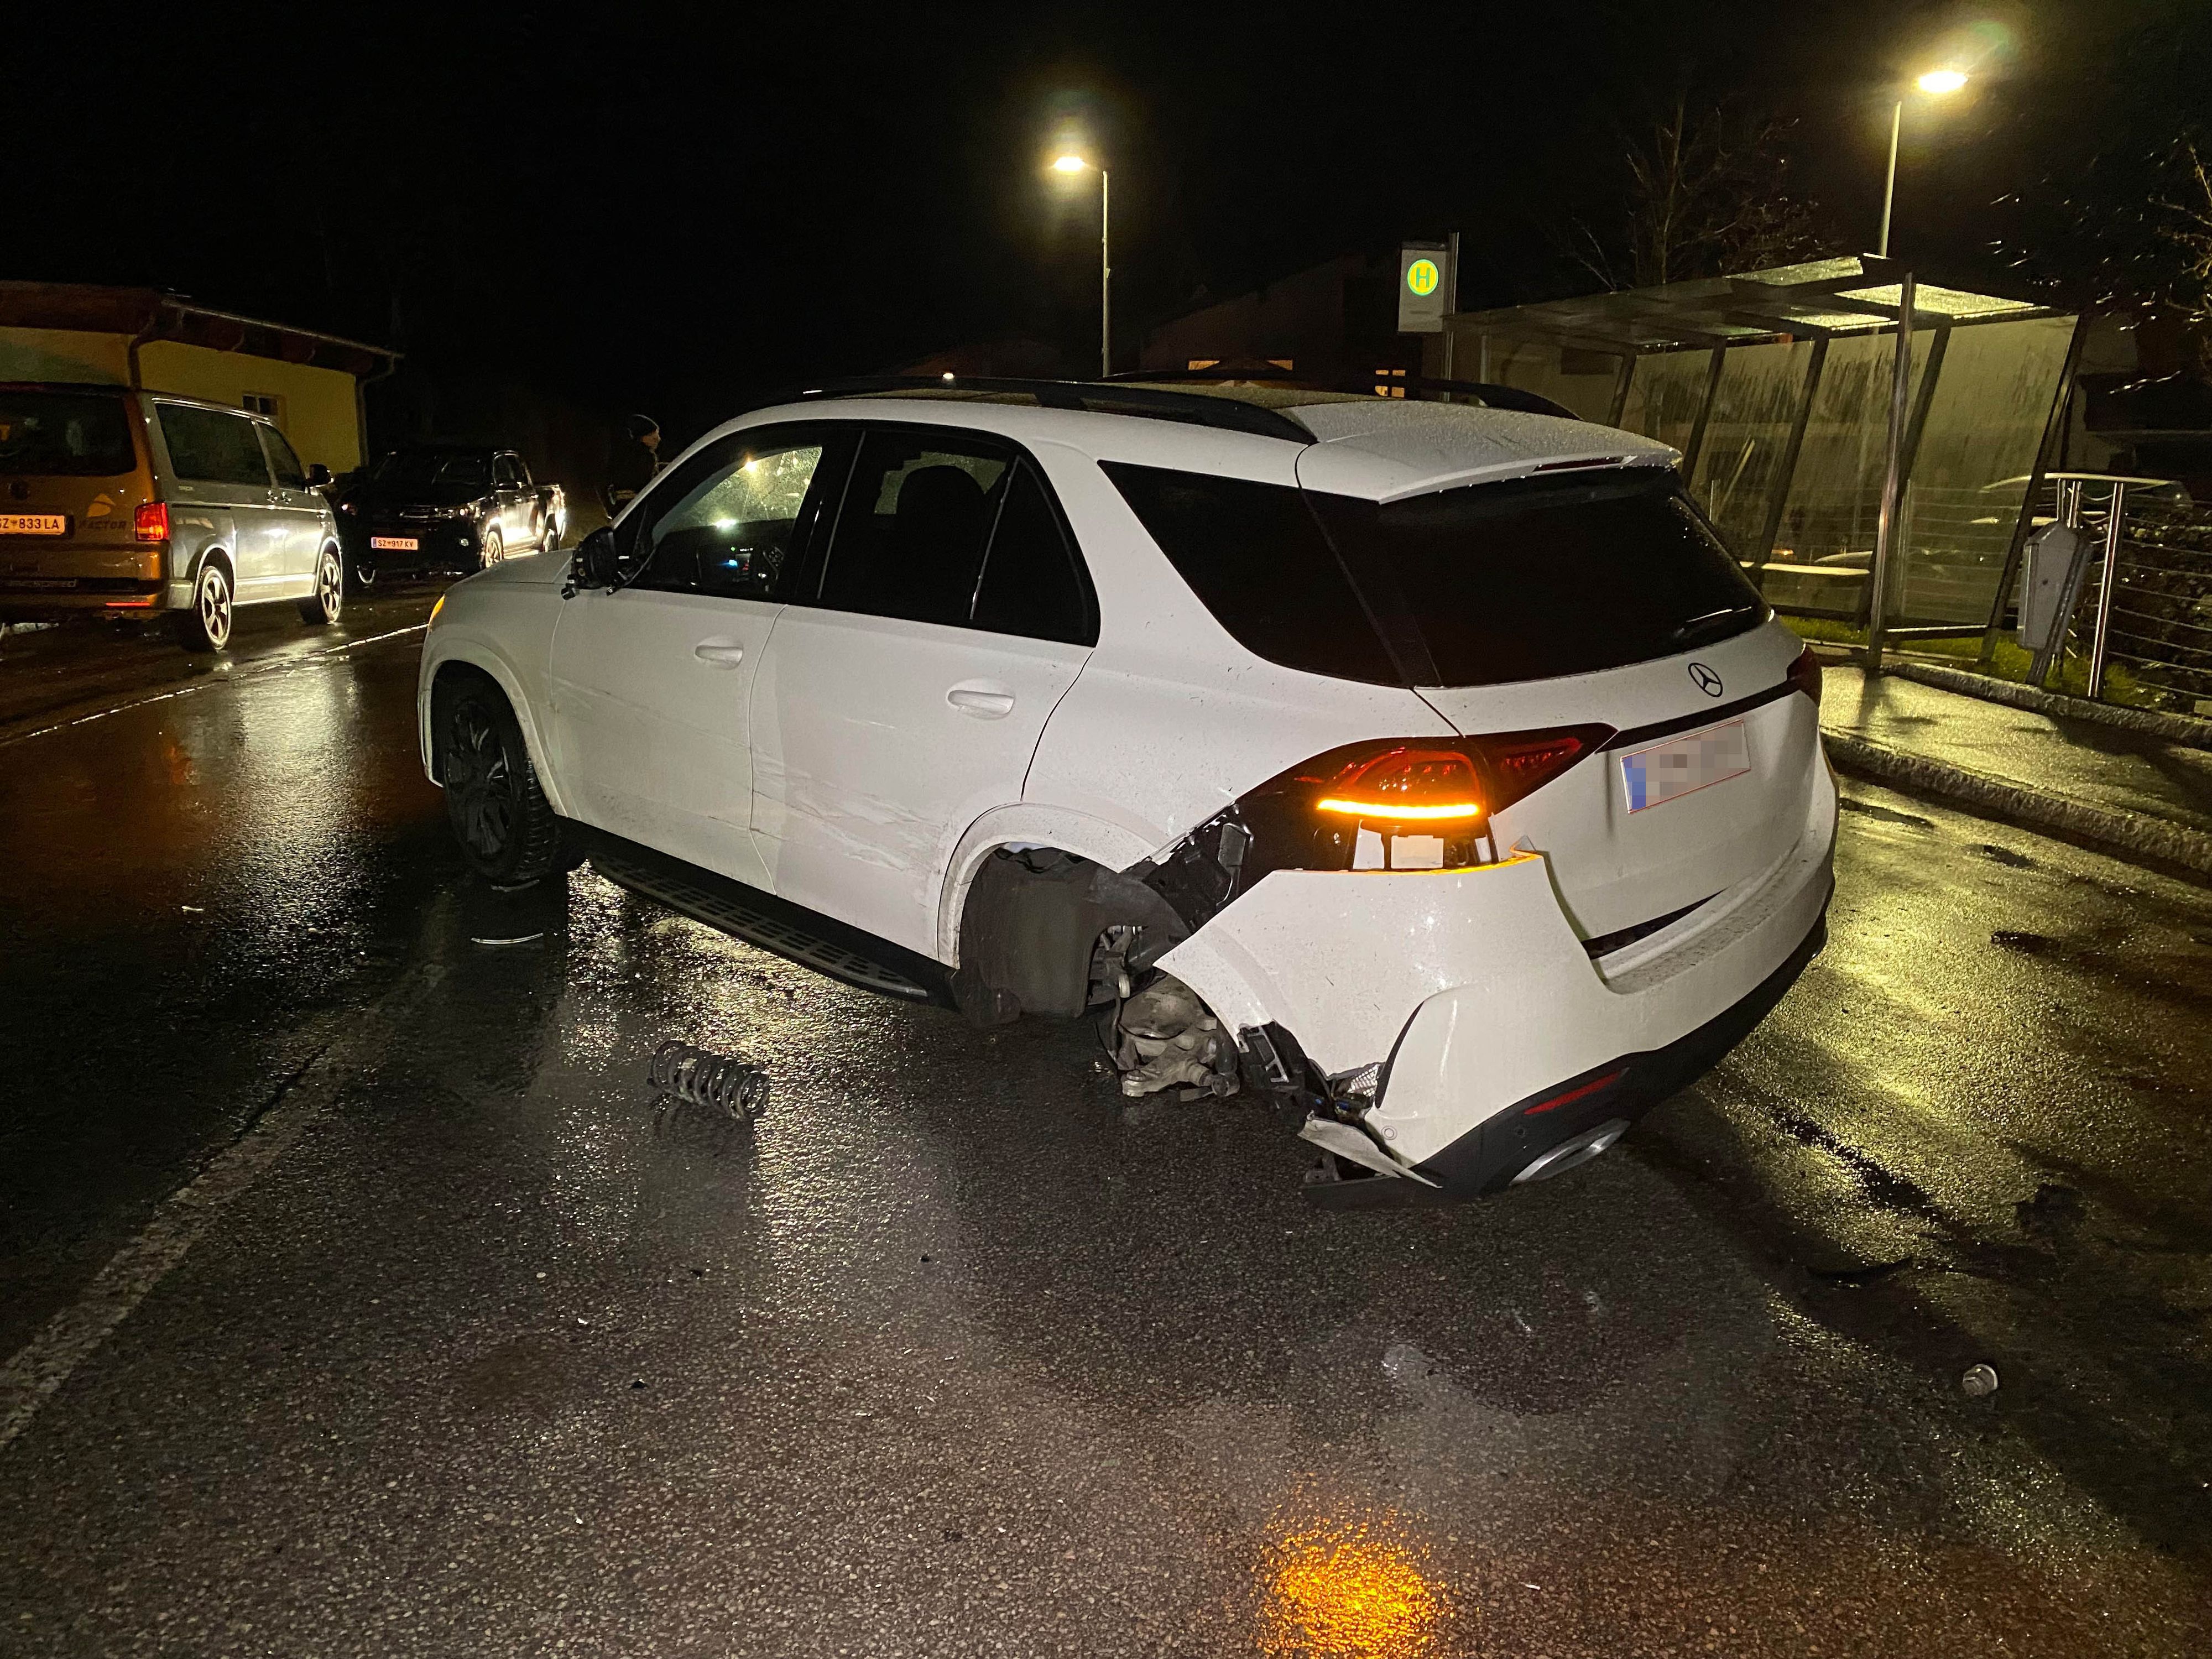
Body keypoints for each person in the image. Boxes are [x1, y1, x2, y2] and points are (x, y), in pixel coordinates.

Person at [603, 414, 663, 516]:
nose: (658, 439)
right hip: (635, 510)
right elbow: (647, 486)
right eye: (652, 434)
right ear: (641, 438)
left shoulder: (620, 456)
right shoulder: (645, 458)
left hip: (618, 509)